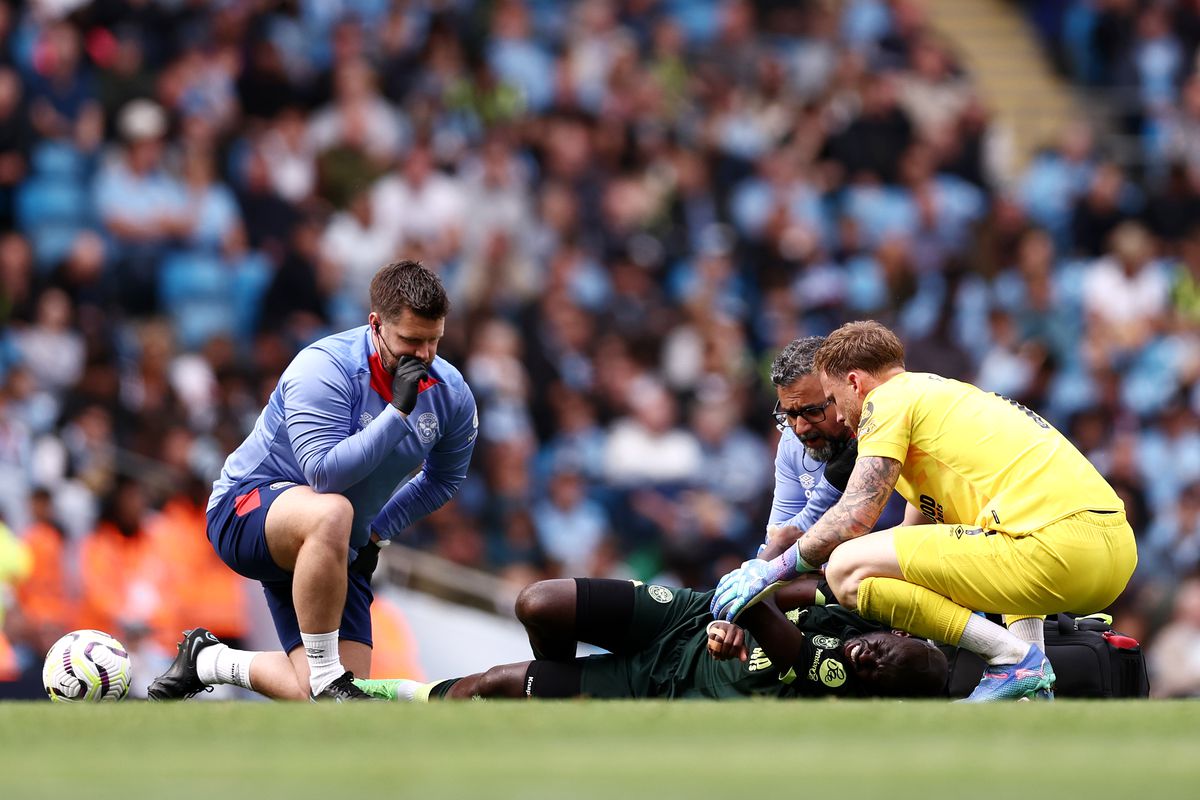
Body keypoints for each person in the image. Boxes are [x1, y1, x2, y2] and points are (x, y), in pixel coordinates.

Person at [712, 320, 1137, 702]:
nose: (839, 415)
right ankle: (1033, 690)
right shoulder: (941, 401)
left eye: (834, 399)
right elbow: (915, 537)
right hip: (1109, 553)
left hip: (1056, 544)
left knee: (845, 567)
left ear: (855, 383)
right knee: (990, 547)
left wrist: (771, 570)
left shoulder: (888, 401)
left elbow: (855, 517)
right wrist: (904, 606)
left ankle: (1012, 660)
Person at [148, 260, 478, 701]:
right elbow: (322, 474)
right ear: (376, 325)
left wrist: (377, 532)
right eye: (410, 341)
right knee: (333, 513)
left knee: (336, 701)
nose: (423, 355)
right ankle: (326, 676)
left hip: (337, 540)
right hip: (247, 509)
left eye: (433, 340)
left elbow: (444, 479)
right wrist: (396, 413)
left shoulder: (451, 393)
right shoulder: (324, 367)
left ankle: (208, 661)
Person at [352, 577, 948, 701]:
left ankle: (399, 698)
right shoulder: (867, 609)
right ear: (899, 633)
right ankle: (552, 700)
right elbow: (779, 591)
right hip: (685, 619)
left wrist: (740, 615)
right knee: (538, 603)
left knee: (491, 685)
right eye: (882, 652)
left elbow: (761, 603)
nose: (866, 659)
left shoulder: (839, 678)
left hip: (670, 682)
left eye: (873, 672)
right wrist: (728, 615)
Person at [763, 336, 905, 561]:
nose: (800, 427)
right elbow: (775, 541)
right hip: (830, 571)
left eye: (812, 411)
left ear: (841, 392)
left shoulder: (885, 429)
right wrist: (830, 489)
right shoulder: (791, 441)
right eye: (791, 414)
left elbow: (890, 531)